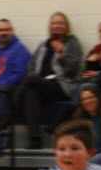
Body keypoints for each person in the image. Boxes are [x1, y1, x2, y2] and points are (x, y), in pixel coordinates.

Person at [13, 12, 83, 149]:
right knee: (30, 91)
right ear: (50, 26)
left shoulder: (72, 43)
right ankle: (35, 139)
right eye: (54, 23)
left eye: (60, 23)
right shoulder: (43, 45)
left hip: (62, 85)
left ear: (66, 26)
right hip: (41, 84)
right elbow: (32, 66)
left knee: (30, 82)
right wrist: (35, 78)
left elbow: (73, 70)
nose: (57, 26)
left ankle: (12, 107)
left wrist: (62, 54)